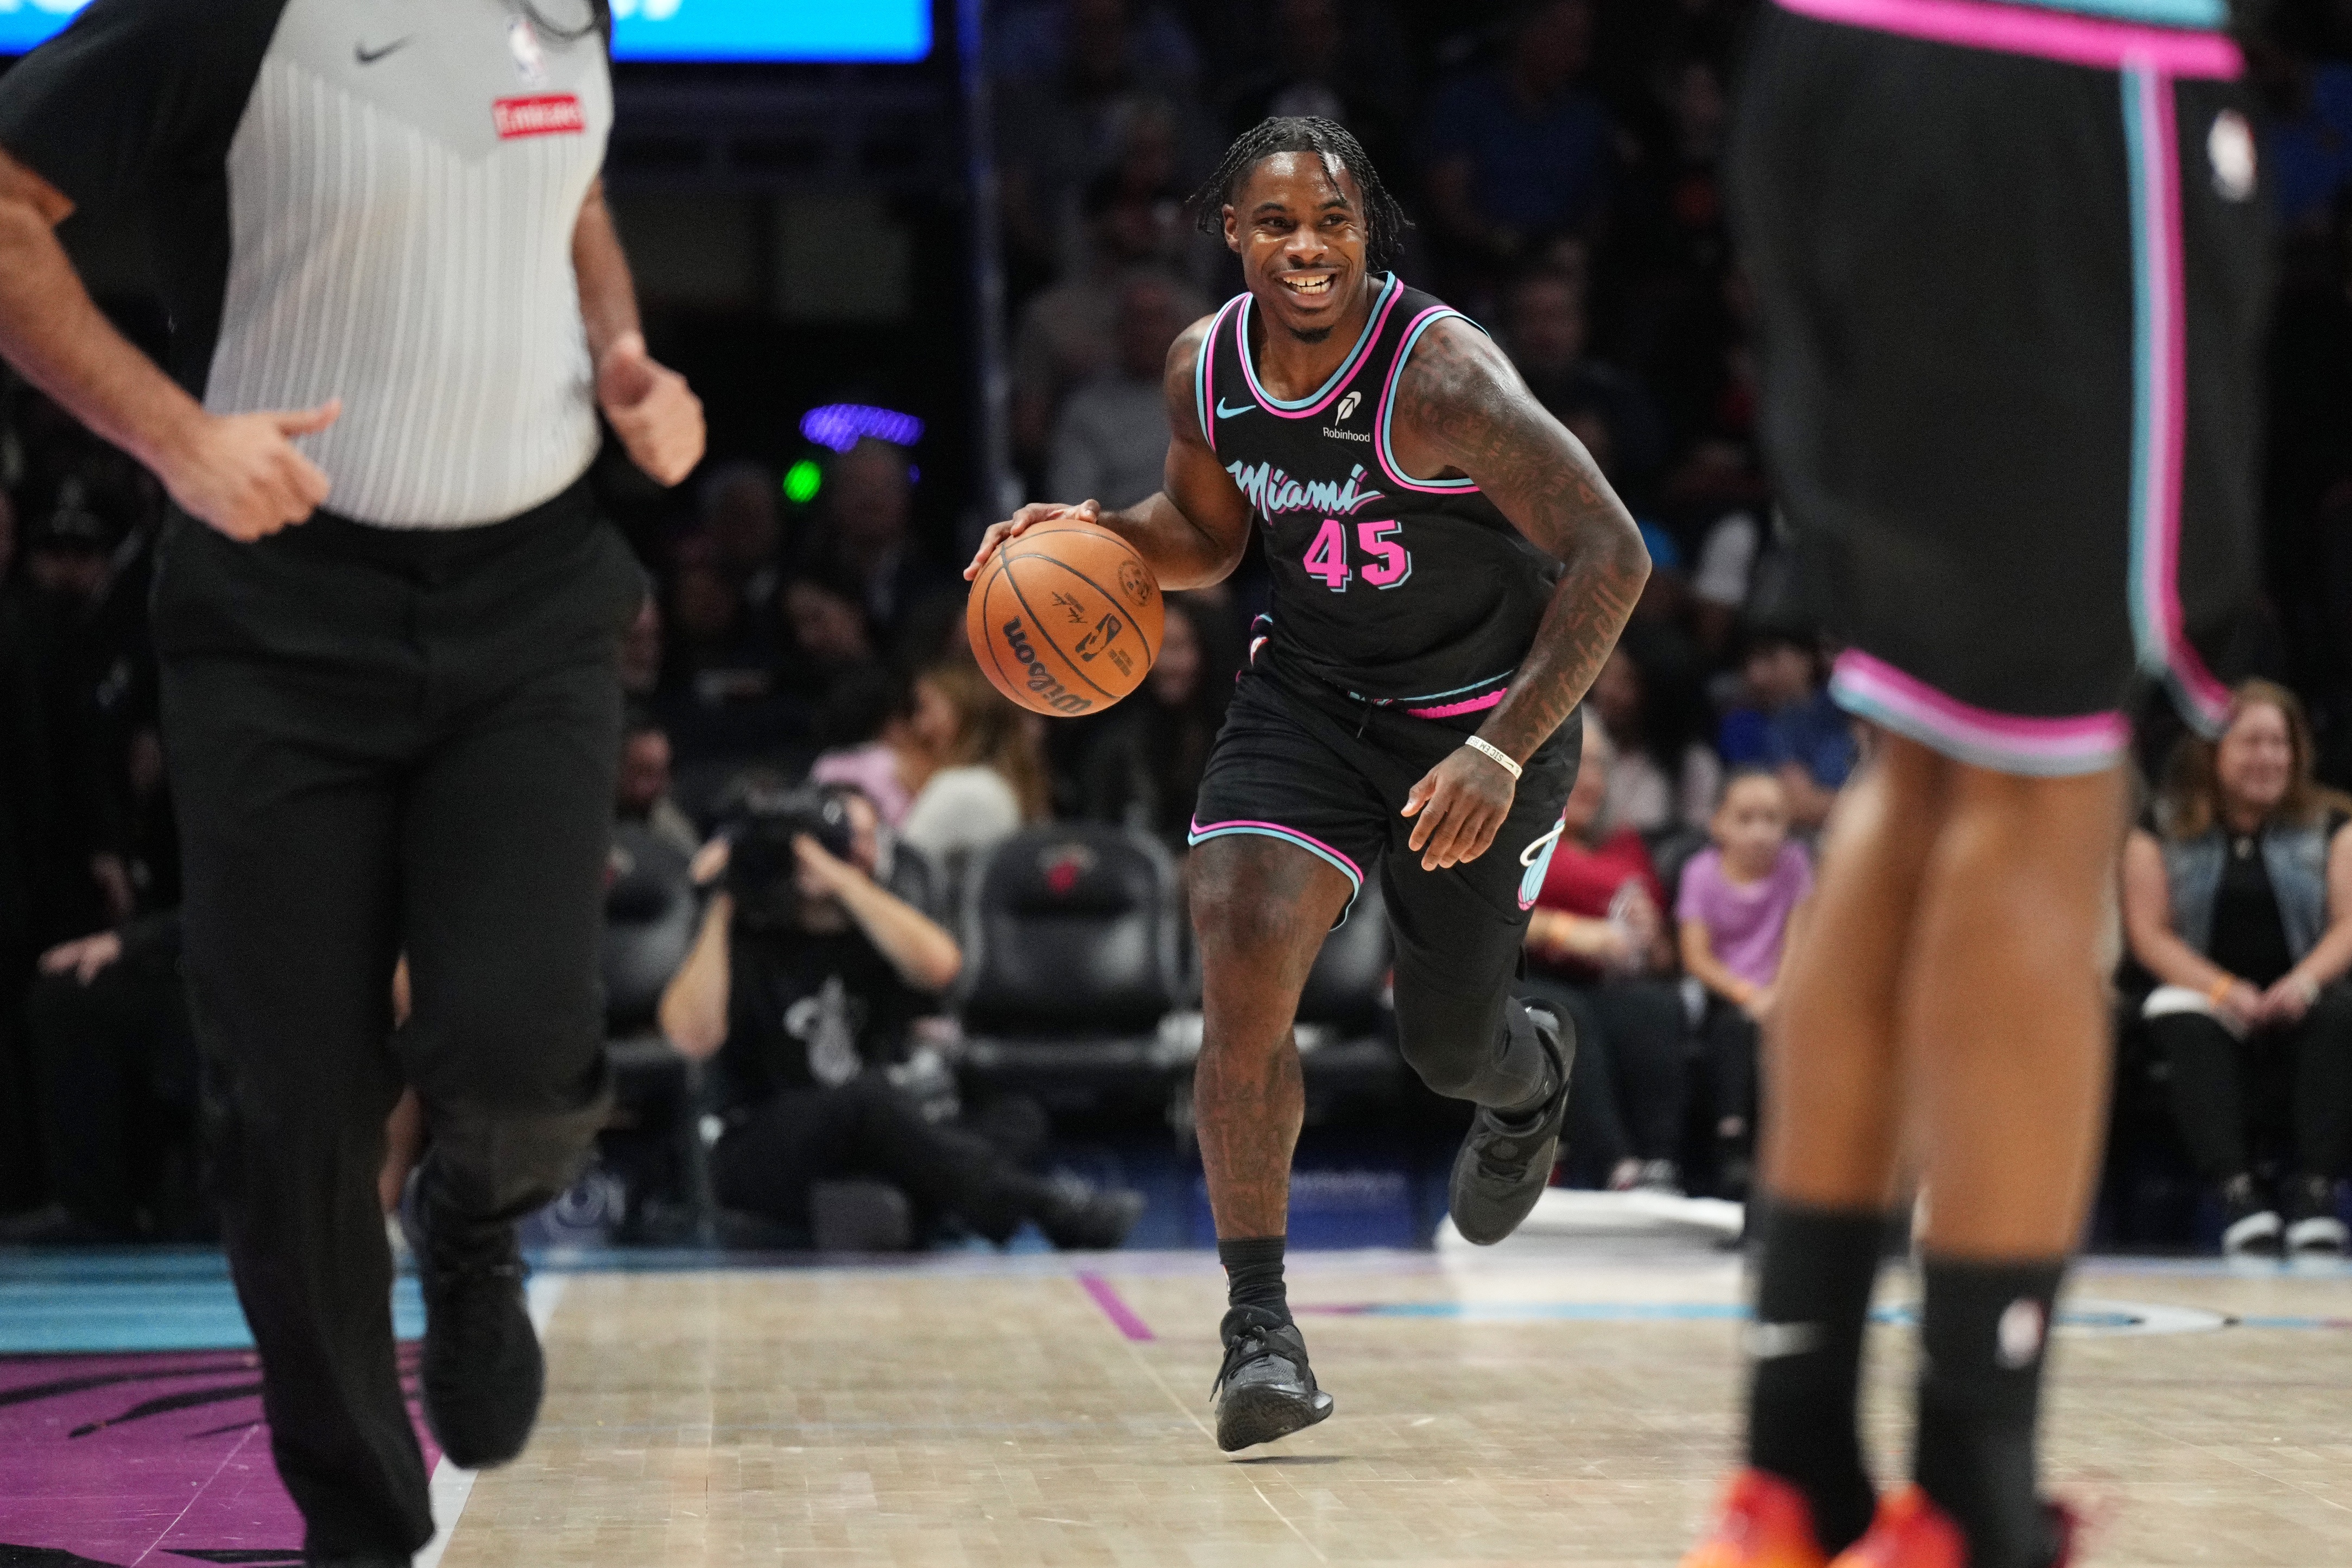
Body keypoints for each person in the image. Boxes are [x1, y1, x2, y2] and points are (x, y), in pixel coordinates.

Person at [0, 5, 706, 1564]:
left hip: (533, 599)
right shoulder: (219, 17)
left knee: (518, 1051)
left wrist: (617, 351)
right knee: (292, 1110)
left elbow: (568, 182)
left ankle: (473, 1218)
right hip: (278, 615)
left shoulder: (569, 10)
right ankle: (361, 1527)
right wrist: (175, 439)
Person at [967, 116, 1648, 1452]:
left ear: (1365, 231)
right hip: (1310, 700)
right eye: (1276, 223)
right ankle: (1257, 1329)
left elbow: (1610, 552)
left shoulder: (1440, 378)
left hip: (1479, 725)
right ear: (1232, 232)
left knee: (1444, 1045)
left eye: (1332, 222)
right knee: (1237, 942)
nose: (1306, 248)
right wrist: (1091, 538)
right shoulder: (1204, 368)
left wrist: (1502, 748)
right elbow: (1206, 537)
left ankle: (1525, 1078)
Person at [1686, 4, 2266, 1566]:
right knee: (2039, 790)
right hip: (2056, 79)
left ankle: (1791, 1474)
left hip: (1841, 63)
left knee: (1928, 764)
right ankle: (1968, 1501)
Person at [655, 786, 1142, 1248]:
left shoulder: (878, 925)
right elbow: (690, 1037)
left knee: (1017, 1118)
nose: (861, 853)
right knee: (868, 1100)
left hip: (883, 1131)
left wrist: (845, 883)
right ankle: (1039, 1207)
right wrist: (723, 898)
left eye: (867, 840)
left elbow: (942, 967)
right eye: (843, 842)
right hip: (769, 1138)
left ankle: (883, 1202)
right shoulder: (744, 935)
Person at [2120, 682, 2352, 1256]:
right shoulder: (2159, 827)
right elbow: (2149, 935)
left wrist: (2302, 982)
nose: (2268, 757)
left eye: (2280, 743)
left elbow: (2349, 924)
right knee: (2177, 1011)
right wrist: (2224, 989)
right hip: (2203, 993)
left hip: (2302, 990)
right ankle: (2237, 1194)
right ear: (2213, 752)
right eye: (2252, 742)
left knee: (2342, 1008)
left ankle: (2316, 1192)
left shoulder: (2333, 824)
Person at [1522, 721, 1689, 1193]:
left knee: (1655, 1007)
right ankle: (1617, 1167)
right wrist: (1569, 933)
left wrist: (1650, 936)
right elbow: (1481, 921)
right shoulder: (1515, 833)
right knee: (1567, 1013)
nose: (1590, 777)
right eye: (1576, 761)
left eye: (1599, 764)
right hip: (1515, 976)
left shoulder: (1623, 842)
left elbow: (1662, 959)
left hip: (1600, 983)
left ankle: (1660, 1165)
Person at [1677, 769, 1812, 1199]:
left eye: (1772, 819)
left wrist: (1777, 995)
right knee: (1733, 1031)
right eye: (1746, 819)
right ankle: (1731, 1139)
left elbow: (1798, 940)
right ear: (1719, 823)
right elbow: (1696, 956)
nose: (1761, 832)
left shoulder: (1795, 865)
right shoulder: (1700, 872)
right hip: (1726, 995)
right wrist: (1747, 994)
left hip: (1783, 993)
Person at [1047, 270, 1194, 512]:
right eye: (1138, 320)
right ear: (1118, 330)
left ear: (1180, 327)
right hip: (1116, 529)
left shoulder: (1208, 396)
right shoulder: (1086, 409)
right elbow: (1073, 507)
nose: (1148, 332)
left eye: (1158, 318)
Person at [897, 661, 1053, 868]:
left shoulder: (961, 788)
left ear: (965, 716)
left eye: (927, 709)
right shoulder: (1006, 786)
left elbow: (902, 872)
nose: (920, 726)